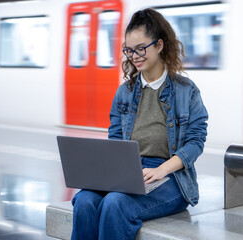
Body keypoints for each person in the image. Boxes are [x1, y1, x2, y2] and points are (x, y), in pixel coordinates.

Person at [71, 8, 208, 240]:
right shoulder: (124, 93)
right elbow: (115, 141)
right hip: (128, 171)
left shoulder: (187, 91)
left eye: (141, 48)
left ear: (160, 45)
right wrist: (112, 173)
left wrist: (161, 170)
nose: (134, 55)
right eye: (129, 50)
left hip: (170, 177)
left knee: (115, 203)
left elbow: (196, 141)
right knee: (84, 201)